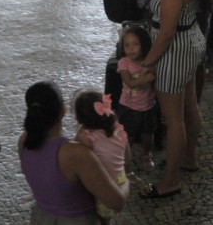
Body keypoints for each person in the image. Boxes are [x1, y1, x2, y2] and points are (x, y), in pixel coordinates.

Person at [140, 0, 213, 198]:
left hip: (173, 52)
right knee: (190, 106)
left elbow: (167, 32)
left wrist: (147, 63)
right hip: (192, 41)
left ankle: (170, 180)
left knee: (172, 119)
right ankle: (188, 158)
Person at [19, 81, 130, 222]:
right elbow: (116, 202)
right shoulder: (76, 154)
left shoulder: (24, 140)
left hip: (40, 218)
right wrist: (125, 180)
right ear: (63, 110)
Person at [72, 90, 132, 222]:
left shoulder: (85, 137)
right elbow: (127, 156)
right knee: (106, 218)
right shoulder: (118, 128)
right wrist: (127, 174)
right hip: (119, 180)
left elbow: (77, 161)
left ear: (80, 118)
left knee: (99, 219)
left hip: (102, 188)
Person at [115, 26, 157, 171]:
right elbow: (130, 83)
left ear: (144, 45)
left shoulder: (149, 62)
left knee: (147, 135)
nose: (131, 48)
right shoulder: (124, 63)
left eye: (135, 44)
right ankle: (126, 159)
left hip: (148, 105)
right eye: (127, 45)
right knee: (128, 136)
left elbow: (155, 85)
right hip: (128, 107)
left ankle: (146, 154)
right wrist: (147, 77)